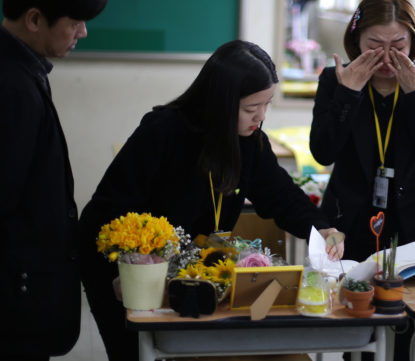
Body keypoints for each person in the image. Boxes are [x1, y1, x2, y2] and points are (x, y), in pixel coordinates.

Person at [79, 40, 344, 361]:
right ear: (221, 102)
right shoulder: (163, 132)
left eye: (267, 104)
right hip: (130, 275)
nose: (260, 117)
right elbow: (109, 210)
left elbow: (283, 197)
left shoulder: (250, 143)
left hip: (190, 279)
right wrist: (126, 269)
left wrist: (323, 229)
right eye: (250, 108)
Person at [309, 0, 415, 360]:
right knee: (358, 334)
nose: (388, 56)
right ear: (356, 40)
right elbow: (322, 152)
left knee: (410, 329)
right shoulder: (335, 79)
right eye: (375, 44)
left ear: (414, 42)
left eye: (399, 44)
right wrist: (348, 93)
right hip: (353, 223)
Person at [0, 0, 108, 361]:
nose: (83, 32)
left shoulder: (24, 71)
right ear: (33, 18)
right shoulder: (13, 88)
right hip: (15, 305)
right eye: (75, 20)